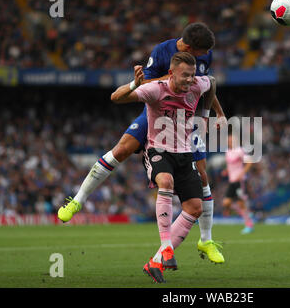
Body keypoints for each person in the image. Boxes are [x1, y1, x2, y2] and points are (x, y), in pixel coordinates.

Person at [58, 23, 226, 264]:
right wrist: (172, 78)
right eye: (200, 53)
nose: (203, 57)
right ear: (189, 47)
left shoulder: (204, 54)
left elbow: (208, 84)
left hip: (185, 120)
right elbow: (146, 84)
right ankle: (77, 200)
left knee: (202, 176)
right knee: (122, 149)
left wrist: (214, 114)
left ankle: (206, 239)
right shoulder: (161, 51)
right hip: (158, 113)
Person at [111, 52, 215, 283]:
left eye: (192, 75)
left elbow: (213, 83)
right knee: (165, 182)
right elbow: (116, 97)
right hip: (158, 150)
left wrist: (205, 116)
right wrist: (133, 84)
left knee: (195, 208)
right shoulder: (155, 89)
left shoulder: (198, 84)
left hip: (184, 153)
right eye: (185, 75)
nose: (190, 80)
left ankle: (155, 262)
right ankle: (167, 247)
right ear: (171, 73)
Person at [222, 132, 255, 234]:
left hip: (240, 181)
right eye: (229, 140)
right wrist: (226, 171)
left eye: (232, 140)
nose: (230, 142)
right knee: (226, 203)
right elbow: (229, 165)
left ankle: (249, 225)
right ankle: (246, 213)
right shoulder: (227, 151)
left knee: (241, 203)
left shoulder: (240, 151)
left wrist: (242, 173)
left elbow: (249, 162)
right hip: (232, 181)